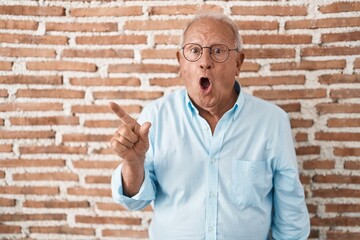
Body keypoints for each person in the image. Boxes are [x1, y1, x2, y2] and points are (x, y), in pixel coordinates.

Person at [110, 12, 310, 240]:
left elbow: (290, 212)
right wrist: (133, 163)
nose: (205, 62)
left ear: (238, 63)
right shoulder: (154, 117)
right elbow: (136, 202)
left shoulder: (272, 121)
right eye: (194, 51)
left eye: (218, 51)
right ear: (180, 62)